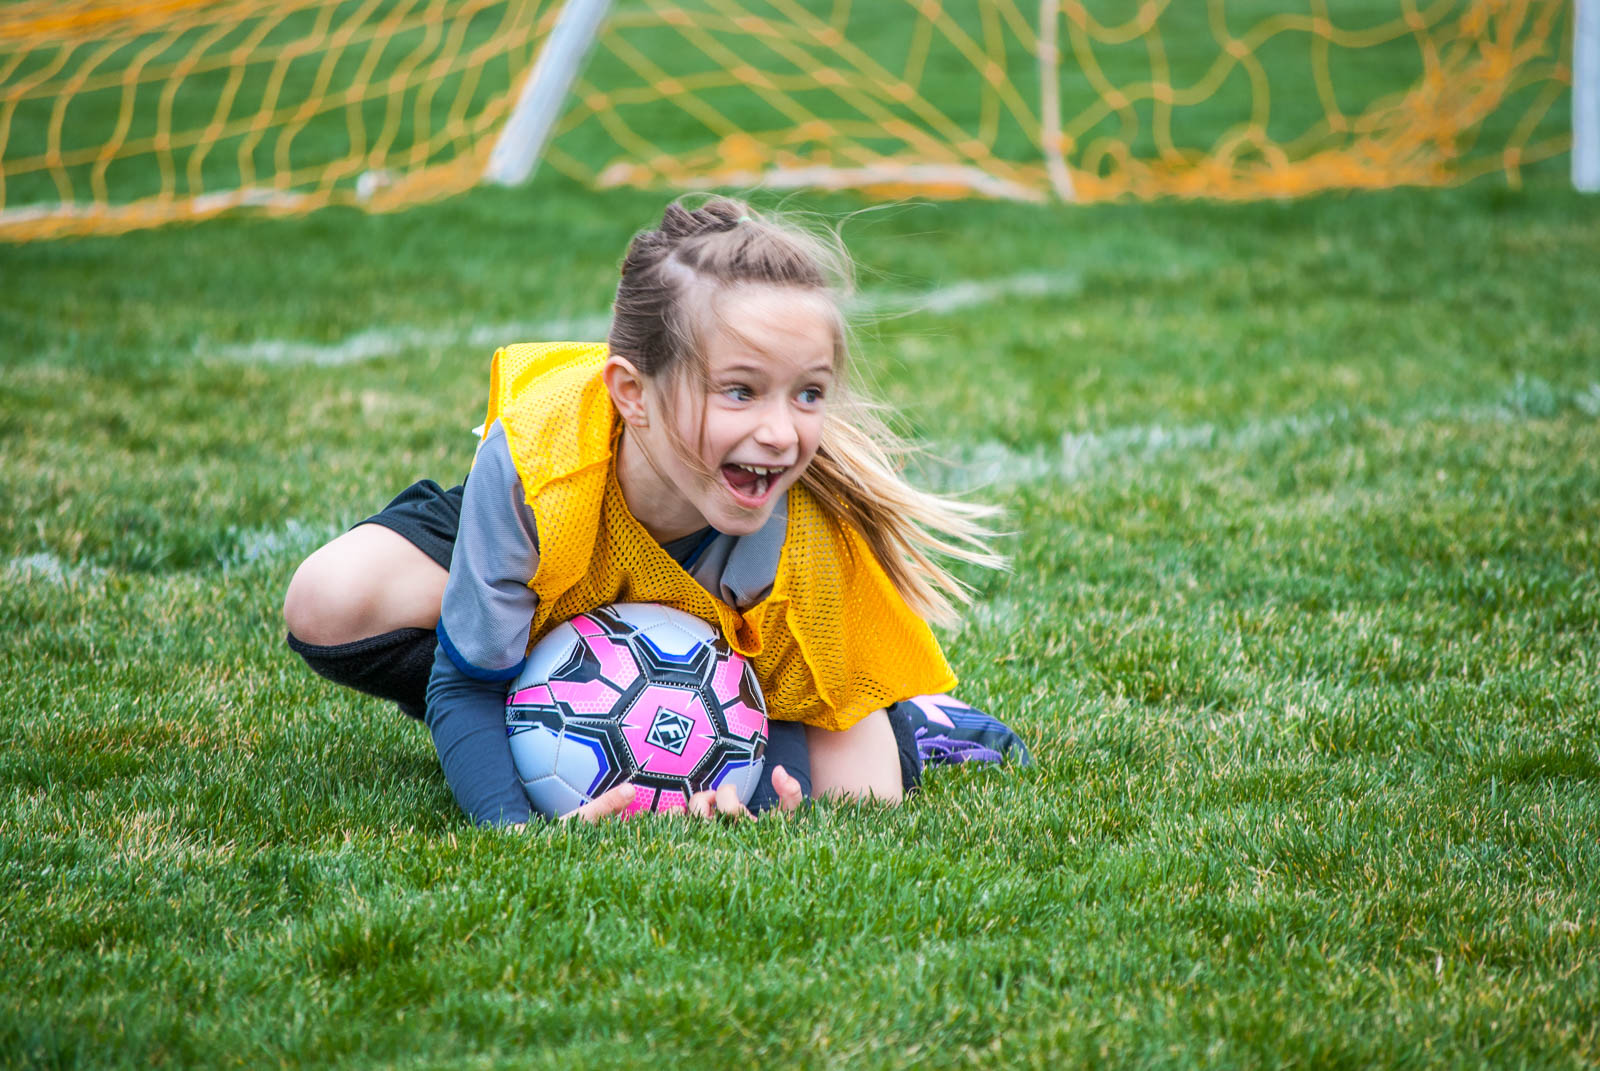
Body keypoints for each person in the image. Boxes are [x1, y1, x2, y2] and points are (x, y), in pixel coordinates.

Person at [282, 197, 1029, 827]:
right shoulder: (538, 463)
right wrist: (515, 826)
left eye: (808, 393)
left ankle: (918, 721)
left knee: (863, 799)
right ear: (632, 394)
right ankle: (545, 706)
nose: (781, 432)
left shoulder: (795, 524)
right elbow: (465, 681)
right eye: (740, 390)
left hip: (730, 644)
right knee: (330, 598)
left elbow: (781, 710)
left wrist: (754, 795)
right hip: (558, 568)